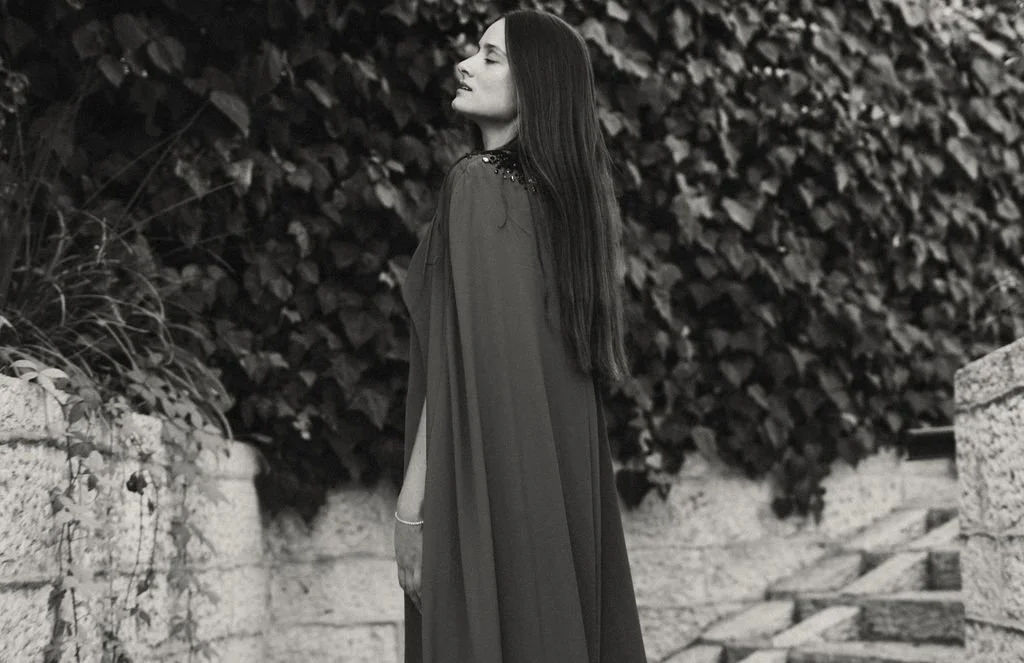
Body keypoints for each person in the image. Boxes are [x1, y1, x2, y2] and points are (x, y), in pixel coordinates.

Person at [395, 9, 648, 663]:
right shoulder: (570, 206)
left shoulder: (477, 183)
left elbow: (461, 366)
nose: (465, 64)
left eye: (490, 57)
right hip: (557, 490)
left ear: (535, 82)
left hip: (481, 485)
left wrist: (413, 508)